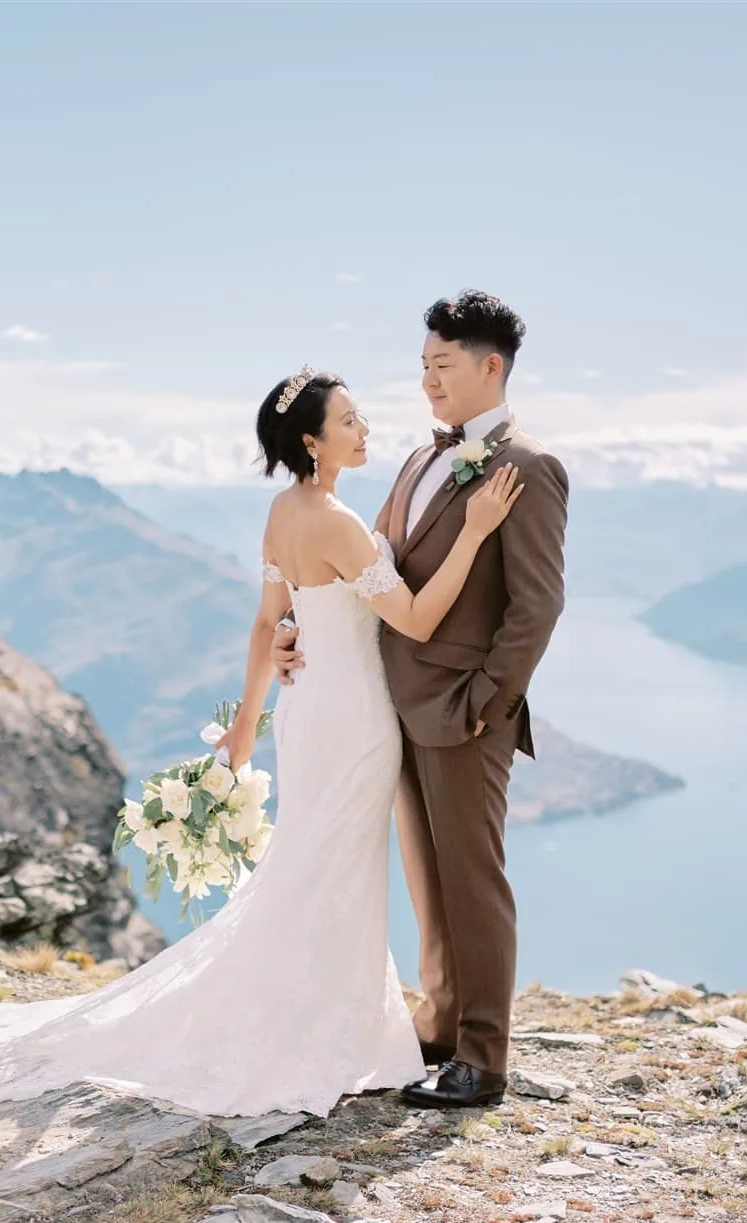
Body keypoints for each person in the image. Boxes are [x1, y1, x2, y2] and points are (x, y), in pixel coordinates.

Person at [0, 366, 521, 1118]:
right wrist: (475, 533)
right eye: (348, 419)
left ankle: (321, 1016)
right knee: (334, 871)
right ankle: (324, 1027)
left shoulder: (283, 513)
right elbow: (415, 619)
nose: (364, 426)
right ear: (313, 441)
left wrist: (247, 726)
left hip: (307, 714)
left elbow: (265, 624)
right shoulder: (339, 523)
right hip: (353, 719)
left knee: (307, 867)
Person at [273, 291, 569, 1109]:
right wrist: (299, 630)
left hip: (463, 710)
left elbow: (536, 604)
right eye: (423, 366)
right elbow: (368, 568)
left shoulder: (528, 467)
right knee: (426, 879)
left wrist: (488, 700)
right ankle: (439, 1022)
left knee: (473, 880)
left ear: (490, 366)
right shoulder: (414, 459)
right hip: (387, 703)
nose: (429, 381)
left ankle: (482, 1056)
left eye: (443, 365)